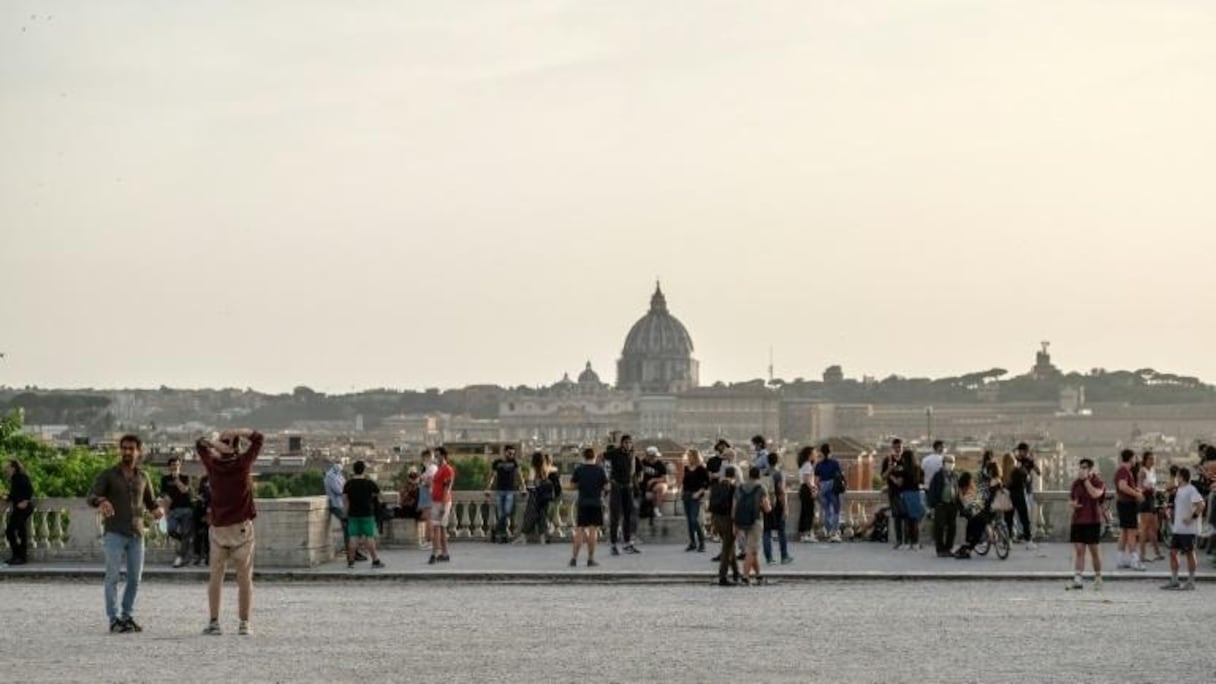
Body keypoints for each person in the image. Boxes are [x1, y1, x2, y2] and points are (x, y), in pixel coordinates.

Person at [88, 434, 163, 633]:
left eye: (131, 449)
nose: (127, 452)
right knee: (112, 577)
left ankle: (127, 616)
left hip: (137, 533)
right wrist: (101, 501)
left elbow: (150, 502)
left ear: (139, 451)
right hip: (114, 532)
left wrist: (157, 510)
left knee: (135, 579)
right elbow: (92, 496)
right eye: (124, 448)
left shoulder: (144, 477)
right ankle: (113, 619)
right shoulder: (108, 475)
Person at [196, 429, 263, 636]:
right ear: (237, 446)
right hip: (241, 529)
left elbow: (199, 444)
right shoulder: (242, 464)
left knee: (215, 578)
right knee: (245, 580)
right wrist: (239, 431)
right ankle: (244, 623)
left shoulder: (213, 465)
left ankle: (214, 622)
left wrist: (215, 443)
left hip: (218, 530)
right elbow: (258, 438)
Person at [1162, 467, 1205, 591]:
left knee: (1189, 553)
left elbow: (1201, 504)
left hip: (1188, 530)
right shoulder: (1180, 490)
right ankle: (1175, 580)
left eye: (1177, 476)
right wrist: (1170, 510)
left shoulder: (1191, 489)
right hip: (1178, 529)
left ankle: (1191, 582)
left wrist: (1192, 518)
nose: (1176, 478)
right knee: (1173, 553)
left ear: (1181, 477)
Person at [1068, 458, 1106, 591]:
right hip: (1078, 520)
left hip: (1093, 520)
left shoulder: (1098, 482)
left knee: (1094, 551)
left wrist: (1086, 481)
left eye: (1084, 467)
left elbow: (1095, 494)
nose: (1082, 469)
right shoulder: (1075, 484)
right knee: (1079, 550)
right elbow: (1071, 500)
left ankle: (1098, 577)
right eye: (1081, 467)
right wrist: (1073, 504)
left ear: (1090, 469)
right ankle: (1078, 578)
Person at [342, 460, 385, 569]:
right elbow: (381, 496)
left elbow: (345, 501)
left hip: (353, 514)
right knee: (369, 537)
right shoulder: (369, 483)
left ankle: (351, 561)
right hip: (367, 514)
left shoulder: (348, 484)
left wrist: (345, 514)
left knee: (353, 538)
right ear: (363, 470)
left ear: (354, 470)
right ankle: (375, 560)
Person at [569, 448, 607, 567]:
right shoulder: (600, 470)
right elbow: (607, 487)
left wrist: (582, 485)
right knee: (593, 531)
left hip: (583, 503)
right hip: (595, 502)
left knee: (579, 530)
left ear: (584, 457)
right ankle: (590, 559)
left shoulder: (579, 470)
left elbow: (572, 485)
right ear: (595, 457)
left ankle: (574, 558)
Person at [734, 466, 772, 585]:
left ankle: (758, 576)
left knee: (753, 549)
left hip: (741, 521)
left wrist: (734, 523)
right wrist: (769, 506)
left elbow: (734, 506)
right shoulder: (761, 488)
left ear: (748, 475)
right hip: (755, 520)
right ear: (759, 475)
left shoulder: (739, 488)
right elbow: (767, 508)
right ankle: (745, 577)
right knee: (751, 549)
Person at [605, 434, 640, 555]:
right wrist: (607, 478)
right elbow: (601, 457)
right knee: (615, 516)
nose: (628, 445)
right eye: (626, 443)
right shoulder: (614, 452)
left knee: (628, 516)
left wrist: (633, 482)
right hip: (616, 487)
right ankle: (613, 544)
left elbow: (635, 472)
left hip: (628, 488)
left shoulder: (632, 455)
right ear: (622, 443)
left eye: (630, 443)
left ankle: (627, 544)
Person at [709, 466, 743, 586]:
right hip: (728, 520)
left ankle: (736, 573)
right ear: (734, 476)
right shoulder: (733, 488)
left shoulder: (715, 486)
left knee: (730, 546)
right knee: (727, 549)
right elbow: (736, 507)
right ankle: (722, 577)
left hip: (716, 519)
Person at [1114, 448, 1146, 571]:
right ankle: (1134, 560)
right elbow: (1122, 486)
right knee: (1132, 533)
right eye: (1135, 458)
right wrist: (1137, 494)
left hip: (1123, 504)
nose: (1136, 460)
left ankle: (1120, 559)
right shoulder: (1124, 470)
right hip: (1127, 505)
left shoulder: (1123, 470)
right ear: (1131, 458)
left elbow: (1124, 486)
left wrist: (1136, 491)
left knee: (1124, 532)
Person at [160, 456, 195, 568]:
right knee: (171, 530)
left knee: (185, 533)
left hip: (186, 509)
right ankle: (187, 543)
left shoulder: (185, 477)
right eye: (172, 465)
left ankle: (180, 558)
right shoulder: (165, 479)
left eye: (177, 464)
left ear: (180, 465)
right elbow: (164, 496)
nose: (175, 466)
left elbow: (184, 490)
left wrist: (176, 479)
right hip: (173, 510)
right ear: (169, 467)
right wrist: (166, 512)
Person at [486, 446, 524, 543]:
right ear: (504, 452)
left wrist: (523, 487)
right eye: (509, 453)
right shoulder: (497, 463)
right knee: (501, 513)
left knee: (507, 511)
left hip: (510, 490)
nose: (511, 455)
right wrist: (488, 488)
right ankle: (503, 536)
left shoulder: (514, 462)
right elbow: (492, 476)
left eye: (513, 454)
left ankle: (495, 529)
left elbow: (519, 475)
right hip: (499, 490)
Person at [324, 461, 360, 560]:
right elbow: (340, 490)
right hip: (336, 505)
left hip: (342, 505)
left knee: (350, 528)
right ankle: (351, 554)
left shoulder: (338, 475)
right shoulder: (331, 476)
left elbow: (345, 487)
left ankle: (353, 552)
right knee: (348, 527)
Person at [763, 451, 793, 565]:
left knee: (766, 532)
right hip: (777, 506)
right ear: (777, 461)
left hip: (766, 504)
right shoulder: (778, 474)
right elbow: (781, 492)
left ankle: (769, 558)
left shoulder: (764, 473)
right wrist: (785, 507)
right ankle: (784, 556)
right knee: (781, 531)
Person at [927, 455, 960, 558]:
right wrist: (934, 504)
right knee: (939, 527)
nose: (951, 464)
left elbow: (957, 489)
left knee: (952, 527)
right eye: (949, 462)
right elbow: (932, 490)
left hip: (952, 504)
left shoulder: (955, 475)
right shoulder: (938, 476)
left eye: (952, 462)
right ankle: (940, 549)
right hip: (941, 504)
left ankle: (948, 548)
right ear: (943, 463)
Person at [3, 459, 34, 566]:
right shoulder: (14, 478)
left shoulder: (19, 477)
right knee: (21, 532)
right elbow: (14, 495)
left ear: (13, 468)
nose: (5, 468)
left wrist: (25, 501)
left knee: (10, 531)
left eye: (7, 467)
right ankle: (20, 557)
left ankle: (18, 556)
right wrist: (5, 497)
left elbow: (30, 489)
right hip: (19, 508)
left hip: (24, 508)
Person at [428, 446, 455, 564]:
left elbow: (447, 488)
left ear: (443, 456)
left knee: (436, 528)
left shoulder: (447, 470)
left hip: (442, 502)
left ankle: (434, 553)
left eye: (437, 455)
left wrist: (443, 505)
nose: (435, 458)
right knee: (442, 528)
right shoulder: (440, 469)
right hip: (436, 501)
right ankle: (444, 553)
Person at [893, 449, 924, 550]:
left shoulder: (904, 470)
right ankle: (915, 542)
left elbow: (899, 483)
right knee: (914, 519)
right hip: (916, 494)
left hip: (906, 494)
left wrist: (892, 477)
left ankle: (906, 542)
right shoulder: (918, 468)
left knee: (906, 519)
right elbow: (922, 481)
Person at [953, 472, 988, 559]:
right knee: (977, 529)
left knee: (974, 530)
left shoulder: (964, 490)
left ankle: (966, 549)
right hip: (969, 514)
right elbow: (969, 503)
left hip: (970, 514)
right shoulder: (965, 491)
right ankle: (967, 549)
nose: (972, 482)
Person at [1137, 451, 1164, 562]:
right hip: (1145, 500)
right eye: (1150, 459)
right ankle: (1142, 555)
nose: (1153, 461)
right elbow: (1138, 487)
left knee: (1154, 527)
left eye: (1154, 459)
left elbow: (1154, 484)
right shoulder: (1142, 471)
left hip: (1152, 499)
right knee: (1144, 528)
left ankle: (1157, 552)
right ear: (1145, 460)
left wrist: (1154, 490)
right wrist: (1147, 490)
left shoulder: (1153, 470)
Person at [814, 443, 843, 543]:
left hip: (822, 488)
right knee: (836, 510)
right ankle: (834, 533)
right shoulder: (835, 463)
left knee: (827, 511)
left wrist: (819, 490)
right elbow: (839, 476)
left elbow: (817, 480)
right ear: (830, 452)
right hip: (832, 488)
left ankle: (829, 531)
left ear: (822, 452)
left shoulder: (818, 465)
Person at [681, 449, 709, 552]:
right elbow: (684, 482)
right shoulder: (686, 468)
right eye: (688, 456)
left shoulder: (701, 468)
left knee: (694, 519)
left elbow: (706, 483)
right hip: (686, 496)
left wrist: (698, 493)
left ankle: (702, 542)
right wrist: (682, 491)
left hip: (696, 496)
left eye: (690, 456)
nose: (688, 458)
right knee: (689, 521)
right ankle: (692, 542)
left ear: (695, 457)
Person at [882, 438, 905, 548]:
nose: (897, 450)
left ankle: (910, 540)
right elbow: (883, 476)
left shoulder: (906, 459)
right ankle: (899, 540)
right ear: (892, 448)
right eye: (895, 448)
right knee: (897, 516)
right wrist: (890, 469)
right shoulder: (887, 460)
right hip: (894, 492)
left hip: (906, 492)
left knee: (908, 516)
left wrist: (903, 480)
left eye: (899, 447)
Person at [638, 446, 669, 520]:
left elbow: (665, 479)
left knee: (660, 488)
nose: (654, 458)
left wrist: (654, 480)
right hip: (644, 487)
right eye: (652, 456)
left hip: (656, 484)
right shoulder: (642, 463)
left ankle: (656, 509)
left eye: (655, 456)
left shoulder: (660, 464)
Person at [796, 447, 818, 543]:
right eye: (814, 453)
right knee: (809, 512)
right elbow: (807, 479)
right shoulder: (807, 465)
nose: (816, 454)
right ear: (809, 455)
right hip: (806, 489)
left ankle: (804, 534)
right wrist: (813, 488)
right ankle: (807, 534)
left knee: (805, 512)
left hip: (804, 489)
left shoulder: (804, 464)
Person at [416, 449, 437, 551]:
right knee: (426, 518)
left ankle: (430, 541)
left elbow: (430, 482)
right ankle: (428, 540)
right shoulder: (427, 468)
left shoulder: (432, 468)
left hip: (428, 494)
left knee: (429, 519)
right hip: (425, 494)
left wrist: (422, 480)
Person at [191, 475, 211, 567]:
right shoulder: (204, 479)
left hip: (211, 512)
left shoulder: (219, 478)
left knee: (208, 535)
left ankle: (208, 556)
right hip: (199, 511)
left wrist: (208, 513)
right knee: (198, 534)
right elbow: (200, 494)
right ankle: (197, 556)